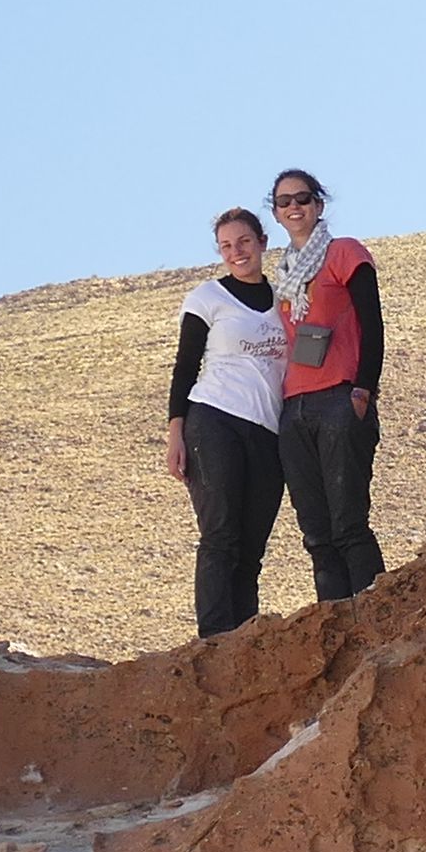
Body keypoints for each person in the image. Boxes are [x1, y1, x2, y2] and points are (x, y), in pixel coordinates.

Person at [265, 164, 389, 602]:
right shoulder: (282, 276)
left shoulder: (345, 253)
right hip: (294, 408)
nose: (294, 207)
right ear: (275, 213)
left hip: (340, 399)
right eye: (284, 201)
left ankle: (375, 618)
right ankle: (332, 624)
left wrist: (363, 390)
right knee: (316, 533)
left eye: (302, 198)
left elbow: (372, 324)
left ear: (318, 205)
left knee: (348, 524)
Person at [166, 204, 290, 637]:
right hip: (214, 419)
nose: (236, 252)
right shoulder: (207, 298)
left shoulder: (285, 299)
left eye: (243, 242)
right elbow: (185, 367)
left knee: (252, 547)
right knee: (220, 534)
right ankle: (215, 639)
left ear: (262, 243)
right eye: (226, 246)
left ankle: (244, 639)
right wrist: (176, 433)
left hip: (269, 430)